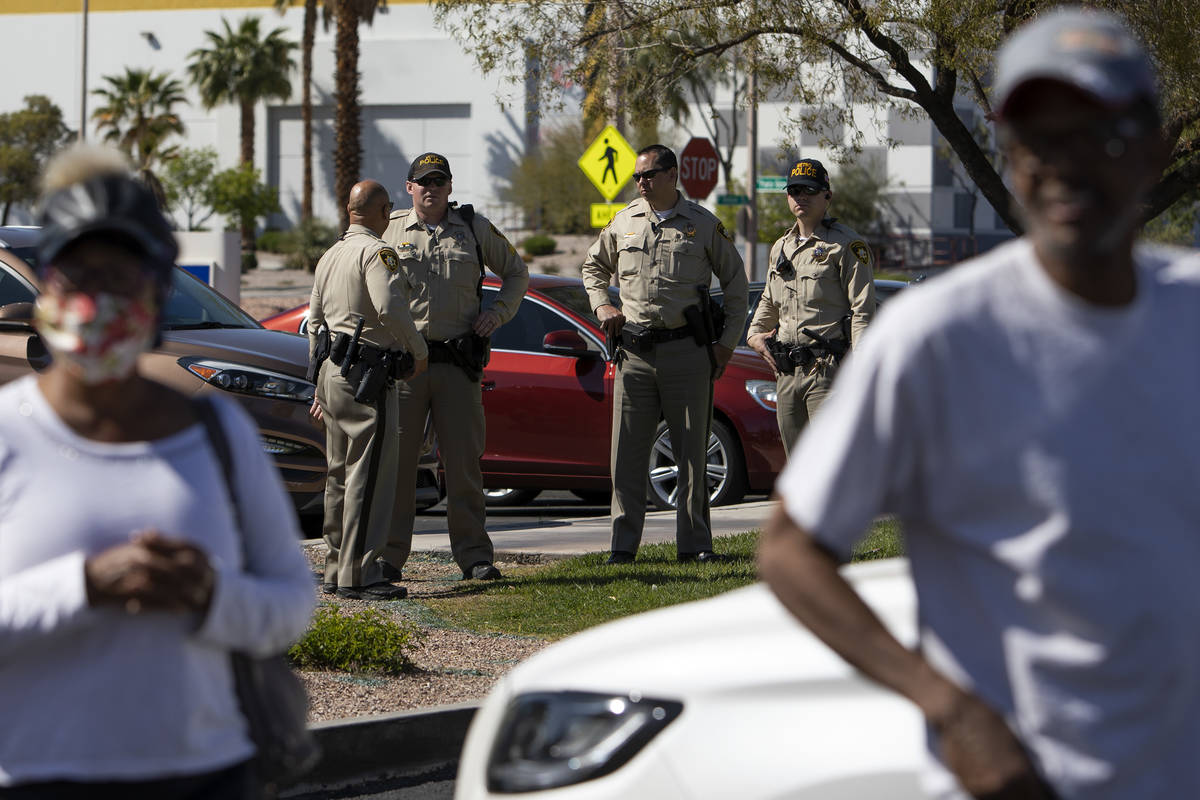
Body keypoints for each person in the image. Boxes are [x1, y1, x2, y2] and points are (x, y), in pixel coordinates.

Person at [759, 9, 1198, 800]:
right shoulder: (941, 339)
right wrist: (951, 712)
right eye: (1035, 141)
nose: (1060, 166)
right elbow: (790, 550)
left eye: (1095, 135)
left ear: (1155, 146)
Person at [0, 145, 315, 796]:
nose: (100, 298)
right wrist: (84, 586)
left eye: (122, 275)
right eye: (79, 275)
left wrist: (210, 596)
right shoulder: (7, 433)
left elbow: (291, 604)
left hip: (203, 773)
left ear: (157, 287)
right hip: (33, 774)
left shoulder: (217, 433)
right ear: (46, 291)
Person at [582, 144, 748, 564]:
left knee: (691, 451)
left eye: (649, 175)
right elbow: (592, 268)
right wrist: (602, 304)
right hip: (634, 354)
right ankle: (622, 545)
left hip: (686, 353)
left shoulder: (703, 225)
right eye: (637, 177)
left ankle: (694, 545)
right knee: (626, 453)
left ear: (672, 175)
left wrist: (726, 344)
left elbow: (735, 283)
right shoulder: (624, 222)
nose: (641, 183)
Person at [382, 153, 529, 581]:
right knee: (399, 465)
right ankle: (389, 559)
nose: (431, 189)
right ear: (408, 187)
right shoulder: (388, 231)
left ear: (450, 187)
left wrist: (497, 314)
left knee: (464, 465)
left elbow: (517, 275)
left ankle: (474, 557)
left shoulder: (474, 230)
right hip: (406, 366)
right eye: (423, 182)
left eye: (439, 181)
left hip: (457, 365)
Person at [309, 180, 428, 600]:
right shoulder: (377, 253)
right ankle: (361, 574)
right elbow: (389, 306)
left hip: (332, 370)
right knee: (370, 474)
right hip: (366, 373)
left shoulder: (330, 254)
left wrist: (316, 387)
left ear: (348, 209)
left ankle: (336, 566)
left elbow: (315, 322)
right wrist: (418, 350)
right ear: (383, 211)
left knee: (338, 474)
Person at [746, 158, 875, 453]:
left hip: (826, 372)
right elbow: (769, 298)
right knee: (799, 469)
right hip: (787, 373)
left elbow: (862, 312)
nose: (800, 196)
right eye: (794, 190)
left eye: (809, 190)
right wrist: (755, 335)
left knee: (831, 463)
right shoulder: (781, 247)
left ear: (827, 195)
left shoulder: (847, 246)